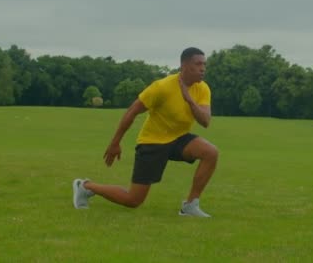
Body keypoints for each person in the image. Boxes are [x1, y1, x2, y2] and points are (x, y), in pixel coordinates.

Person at [72, 47, 218, 217]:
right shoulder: (161, 87)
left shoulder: (203, 88)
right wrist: (115, 142)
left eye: (204, 64)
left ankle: (190, 206)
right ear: (184, 65)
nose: (203, 68)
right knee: (133, 200)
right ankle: (85, 187)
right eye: (198, 64)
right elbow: (132, 112)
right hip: (153, 142)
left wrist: (190, 100)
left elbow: (205, 121)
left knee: (211, 152)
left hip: (179, 138)